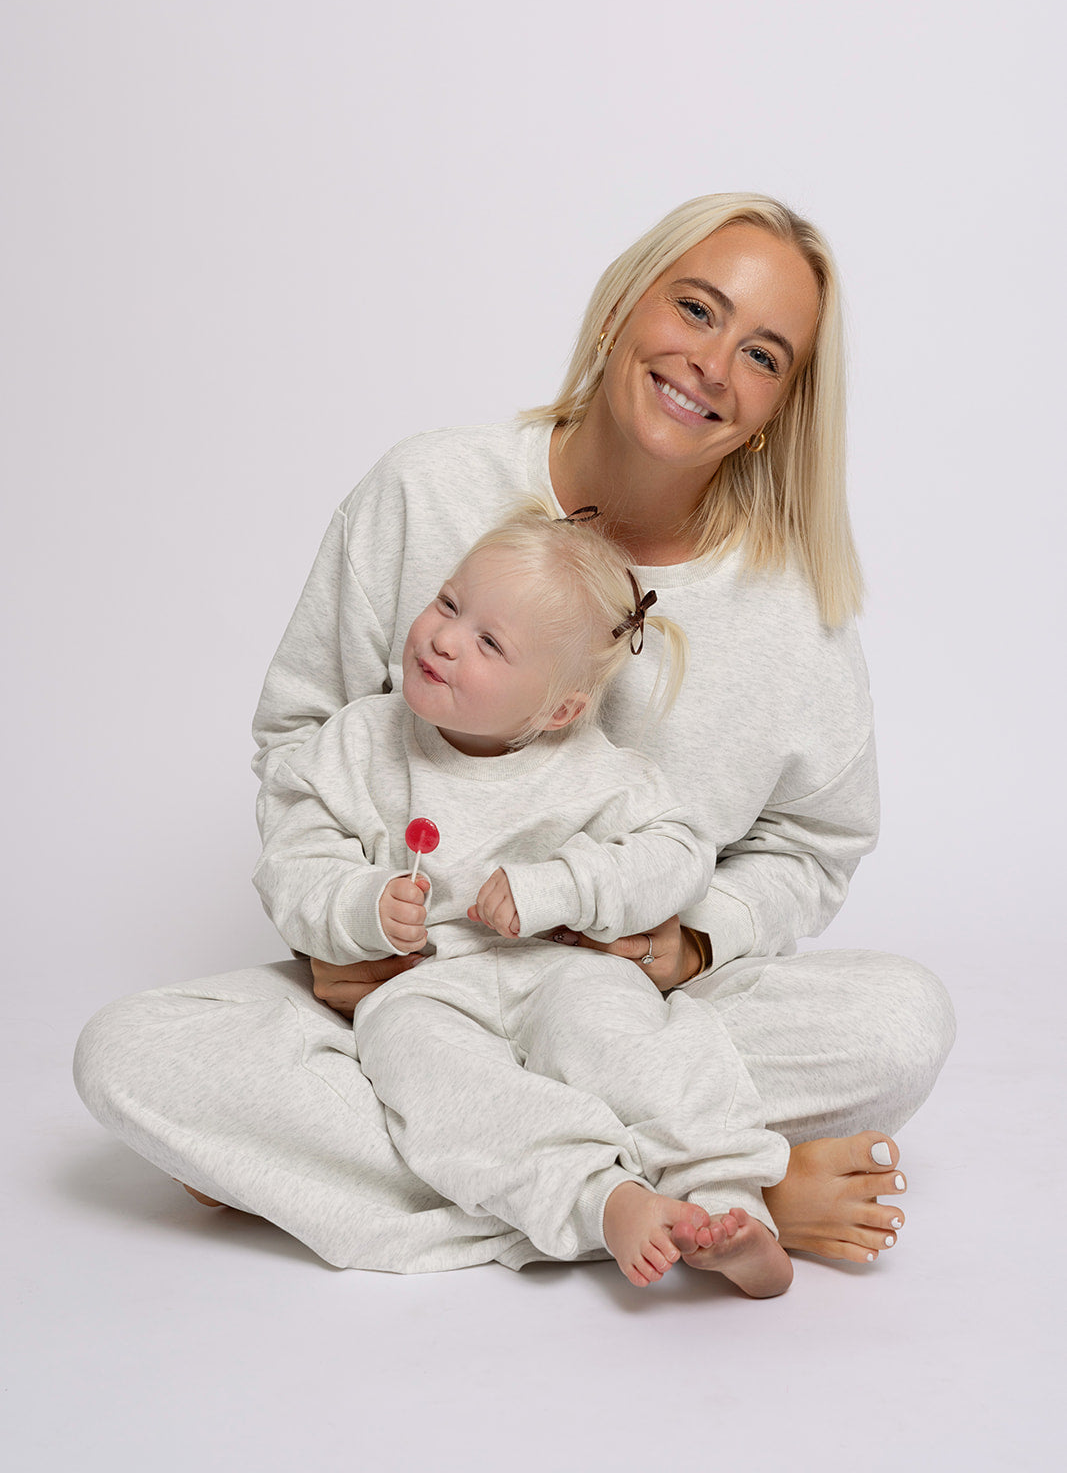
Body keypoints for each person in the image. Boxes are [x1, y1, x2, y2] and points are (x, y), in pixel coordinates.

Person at [75, 192, 955, 1277]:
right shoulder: (428, 487)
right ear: (622, 307)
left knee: (899, 1022)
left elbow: (809, 844)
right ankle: (739, 1186)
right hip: (413, 992)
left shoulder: (792, 609)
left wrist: (693, 939)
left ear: (779, 407)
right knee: (133, 1056)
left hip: (634, 1002)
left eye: (763, 354)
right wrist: (336, 936)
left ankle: (429, 1177)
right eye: (694, 307)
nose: (711, 363)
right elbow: (305, 736)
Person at [254, 497, 793, 1294]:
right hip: (421, 986)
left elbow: (678, 855)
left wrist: (559, 887)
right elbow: (291, 856)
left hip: (563, 966)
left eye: (488, 642)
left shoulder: (592, 767)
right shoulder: (358, 743)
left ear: (559, 709)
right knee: (434, 1084)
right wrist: (358, 904)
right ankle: (599, 1196)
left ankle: (724, 1199)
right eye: (447, 602)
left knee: (630, 1044)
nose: (442, 637)